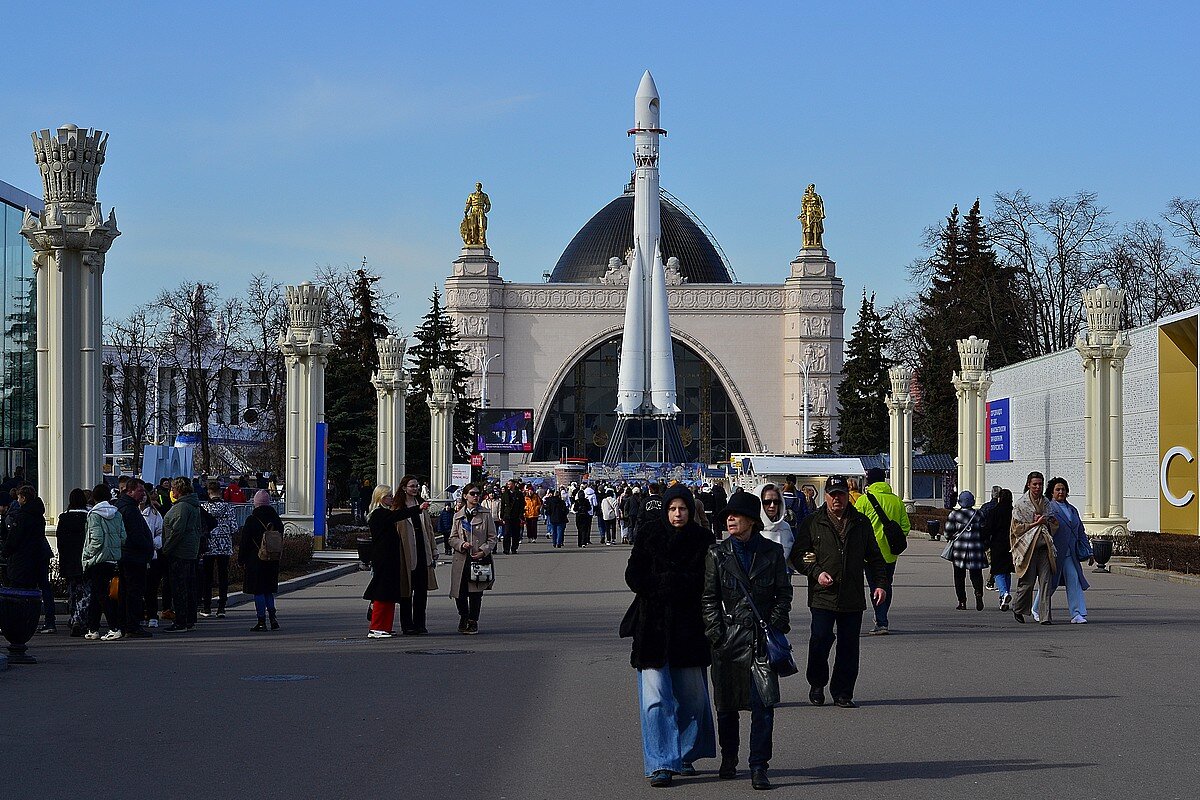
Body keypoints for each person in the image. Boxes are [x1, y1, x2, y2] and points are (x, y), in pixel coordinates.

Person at [625, 484, 716, 787]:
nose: (678, 514)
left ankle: (685, 753)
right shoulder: (649, 535)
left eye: (683, 509)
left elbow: (707, 581)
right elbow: (634, 576)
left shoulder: (703, 540)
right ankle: (661, 762)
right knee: (655, 699)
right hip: (652, 627)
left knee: (694, 699)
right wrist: (665, 583)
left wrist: (674, 581)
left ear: (691, 511)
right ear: (665, 511)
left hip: (689, 628)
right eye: (673, 509)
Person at [701, 490, 791, 790]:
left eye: (735, 515)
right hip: (728, 641)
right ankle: (729, 758)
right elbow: (709, 599)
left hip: (761, 641)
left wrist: (773, 626)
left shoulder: (772, 553)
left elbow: (784, 594)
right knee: (726, 707)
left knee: (763, 707)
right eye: (727, 515)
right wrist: (717, 634)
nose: (729, 519)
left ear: (752, 520)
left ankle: (758, 765)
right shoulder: (717, 554)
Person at [790, 475, 888, 710]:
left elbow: (875, 557)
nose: (837, 499)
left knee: (848, 646)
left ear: (848, 496)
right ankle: (816, 684)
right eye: (833, 494)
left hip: (852, 595)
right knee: (820, 641)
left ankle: (843, 692)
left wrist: (881, 583)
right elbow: (799, 554)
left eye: (841, 494)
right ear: (825, 496)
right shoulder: (813, 522)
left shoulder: (861, 523)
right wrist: (816, 571)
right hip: (822, 595)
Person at [363, 484, 429, 638]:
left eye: (391, 496)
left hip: (390, 558)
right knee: (381, 594)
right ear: (380, 497)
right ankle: (376, 627)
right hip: (383, 558)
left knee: (390, 594)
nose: (392, 498)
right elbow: (398, 515)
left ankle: (385, 626)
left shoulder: (384, 513)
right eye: (389, 496)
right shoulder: (379, 514)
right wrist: (418, 508)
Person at [854, 467, 909, 634]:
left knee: (874, 586)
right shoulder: (897, 501)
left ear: (869, 480)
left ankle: (881, 620)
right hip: (891, 552)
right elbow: (905, 526)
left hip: (869, 553)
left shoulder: (863, 501)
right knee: (887, 584)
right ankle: (882, 616)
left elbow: (855, 525)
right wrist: (894, 537)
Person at [3, 486, 55, 633]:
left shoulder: (22, 516)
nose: (18, 500)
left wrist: (6, 552)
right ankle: (49, 621)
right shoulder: (38, 515)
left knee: (21, 589)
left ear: (24, 498)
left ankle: (20, 621)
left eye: (19, 497)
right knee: (44, 587)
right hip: (41, 554)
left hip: (25, 557)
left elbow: (14, 538)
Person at [448, 483, 498, 634]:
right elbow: (452, 538)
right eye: (473, 494)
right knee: (459, 592)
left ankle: (473, 620)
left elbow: (492, 537)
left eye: (478, 494)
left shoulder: (485, 514)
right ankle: (464, 616)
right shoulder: (458, 515)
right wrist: (461, 544)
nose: (476, 496)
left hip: (479, 558)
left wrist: (483, 551)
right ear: (465, 496)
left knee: (476, 592)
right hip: (462, 559)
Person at [1010, 472, 1058, 624]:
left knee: (1045, 583)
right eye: (1035, 484)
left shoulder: (1046, 503)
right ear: (1028, 485)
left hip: (1044, 548)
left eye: (1040, 484)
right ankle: (1018, 608)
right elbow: (1016, 529)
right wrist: (1034, 523)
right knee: (1027, 583)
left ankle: (1045, 617)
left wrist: (1046, 522)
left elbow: (1055, 524)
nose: (1037, 487)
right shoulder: (1021, 504)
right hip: (1028, 549)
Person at [82, 482, 127, 640]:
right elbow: (123, 537)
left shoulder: (94, 515)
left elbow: (96, 540)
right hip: (113, 559)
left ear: (94, 498)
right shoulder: (117, 514)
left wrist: (86, 554)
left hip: (97, 559)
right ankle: (92, 628)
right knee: (98, 594)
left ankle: (114, 627)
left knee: (100, 594)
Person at [396, 475, 438, 635]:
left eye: (417, 486)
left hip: (422, 550)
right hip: (406, 553)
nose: (415, 488)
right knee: (406, 591)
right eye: (412, 486)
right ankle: (407, 625)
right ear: (404, 488)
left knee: (421, 590)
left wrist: (434, 550)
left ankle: (420, 623)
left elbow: (429, 529)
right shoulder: (398, 507)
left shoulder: (421, 505)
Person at [1044, 478, 1090, 624]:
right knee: (1050, 583)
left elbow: (1080, 531)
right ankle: (1037, 608)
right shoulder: (1049, 508)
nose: (1061, 492)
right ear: (1052, 491)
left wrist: (1089, 550)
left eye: (1063, 489)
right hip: (1055, 553)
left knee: (1074, 579)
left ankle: (1076, 613)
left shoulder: (1072, 510)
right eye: (1057, 489)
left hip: (1070, 553)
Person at [115, 478, 155, 638]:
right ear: (130, 491)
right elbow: (135, 535)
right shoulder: (129, 510)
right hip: (133, 557)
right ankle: (132, 625)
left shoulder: (126, 507)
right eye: (140, 491)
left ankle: (126, 623)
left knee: (127, 591)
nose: (143, 494)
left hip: (130, 556)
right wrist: (147, 547)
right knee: (133, 592)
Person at [239, 489, 284, 631]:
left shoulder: (252, 520)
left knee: (258, 591)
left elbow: (244, 542)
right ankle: (273, 618)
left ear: (256, 503)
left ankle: (261, 621)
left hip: (256, 560)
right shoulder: (276, 520)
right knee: (268, 590)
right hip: (273, 559)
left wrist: (241, 559)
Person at [161, 477, 202, 633]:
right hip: (190, 551)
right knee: (189, 587)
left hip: (180, 552)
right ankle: (189, 620)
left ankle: (181, 621)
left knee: (179, 588)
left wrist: (166, 548)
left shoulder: (182, 507)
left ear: (178, 490)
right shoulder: (192, 504)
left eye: (173, 488)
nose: (171, 491)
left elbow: (177, 530)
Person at [55, 489, 91, 637]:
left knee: (73, 590)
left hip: (69, 560)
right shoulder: (88, 517)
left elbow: (60, 541)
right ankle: (79, 618)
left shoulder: (64, 518)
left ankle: (73, 616)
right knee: (86, 591)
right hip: (84, 559)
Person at [945, 490, 988, 611]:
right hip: (976, 549)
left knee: (959, 576)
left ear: (960, 501)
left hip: (959, 550)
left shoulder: (954, 515)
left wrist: (951, 536)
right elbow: (984, 530)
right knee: (976, 574)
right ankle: (978, 593)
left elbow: (948, 532)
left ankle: (962, 602)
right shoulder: (979, 514)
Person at [199, 480, 237, 618]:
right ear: (220, 492)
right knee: (223, 577)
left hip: (209, 546)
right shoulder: (228, 507)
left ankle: (207, 607)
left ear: (209, 492)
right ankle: (221, 607)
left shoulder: (204, 508)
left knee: (207, 577)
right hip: (224, 546)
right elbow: (234, 527)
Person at [979, 489, 1015, 610]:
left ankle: (1004, 593)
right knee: (1007, 571)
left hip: (997, 544)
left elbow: (988, 529)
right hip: (1011, 544)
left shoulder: (994, 512)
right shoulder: (1013, 511)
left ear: (999, 498)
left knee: (998, 571)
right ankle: (1003, 598)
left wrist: (984, 541)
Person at [141, 489, 168, 628]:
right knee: (138, 588)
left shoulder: (154, 514)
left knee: (151, 588)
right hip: (136, 555)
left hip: (152, 555)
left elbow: (160, 533)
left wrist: (154, 544)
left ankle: (152, 615)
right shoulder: (131, 511)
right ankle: (140, 615)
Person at [757, 483, 795, 562]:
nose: (772, 505)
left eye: (776, 502)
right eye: (767, 502)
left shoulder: (785, 528)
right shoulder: (750, 527)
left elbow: (793, 559)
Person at [500, 479, 523, 554]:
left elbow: (522, 505)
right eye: (508, 484)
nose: (508, 486)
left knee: (516, 533)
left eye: (510, 484)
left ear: (513, 485)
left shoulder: (519, 494)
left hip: (516, 516)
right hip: (507, 516)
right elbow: (502, 505)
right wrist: (502, 516)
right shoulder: (505, 494)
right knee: (507, 533)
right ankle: (506, 549)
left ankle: (514, 548)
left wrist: (520, 515)